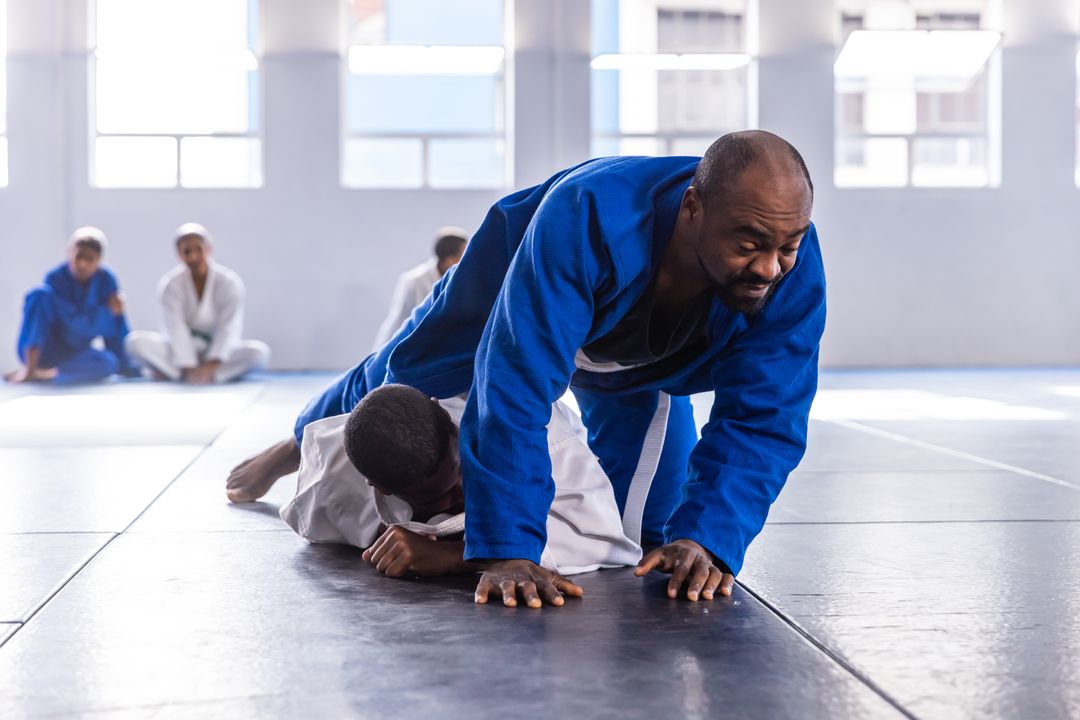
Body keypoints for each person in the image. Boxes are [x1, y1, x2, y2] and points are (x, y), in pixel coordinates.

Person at [228, 130, 824, 610]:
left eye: (788, 245)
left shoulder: (788, 266)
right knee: (399, 377)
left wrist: (706, 538)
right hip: (513, 287)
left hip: (641, 360)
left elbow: (768, 414)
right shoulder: (590, 215)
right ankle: (298, 441)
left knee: (652, 533)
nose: (770, 267)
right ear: (692, 208)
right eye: (748, 244)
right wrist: (507, 549)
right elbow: (514, 384)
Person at [278, 384, 656, 604]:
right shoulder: (334, 480)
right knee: (365, 377)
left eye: (459, 476)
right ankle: (274, 457)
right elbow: (307, 515)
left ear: (447, 422)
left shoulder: (539, 438)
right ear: (381, 488)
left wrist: (454, 555)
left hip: (600, 384)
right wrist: (390, 537)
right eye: (435, 500)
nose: (456, 498)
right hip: (386, 382)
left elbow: (606, 542)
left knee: (656, 518)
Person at [125, 223, 270, 384]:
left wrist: (212, 363)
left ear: (209, 249)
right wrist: (188, 364)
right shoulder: (171, 284)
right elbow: (174, 327)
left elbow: (228, 327)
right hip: (180, 353)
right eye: (187, 251)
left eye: (198, 249)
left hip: (216, 350)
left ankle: (198, 373)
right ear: (179, 254)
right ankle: (187, 373)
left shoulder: (228, 282)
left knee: (259, 354)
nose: (193, 257)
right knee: (135, 343)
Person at [5, 226, 137, 384]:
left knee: (109, 363)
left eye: (90, 259)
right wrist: (104, 313)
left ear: (98, 261)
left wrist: (128, 368)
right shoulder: (56, 279)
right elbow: (71, 326)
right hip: (45, 349)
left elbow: (116, 327)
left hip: (73, 355)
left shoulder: (106, 281)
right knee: (39, 295)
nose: (82, 264)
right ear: (70, 253)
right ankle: (31, 370)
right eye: (79, 256)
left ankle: (48, 374)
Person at [371, 227, 468, 350]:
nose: (466, 261)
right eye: (462, 255)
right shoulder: (414, 282)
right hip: (406, 345)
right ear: (449, 260)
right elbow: (406, 323)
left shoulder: (460, 280)